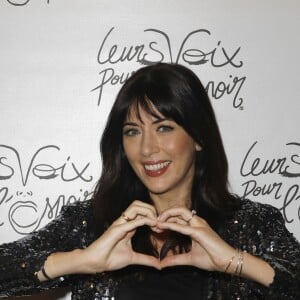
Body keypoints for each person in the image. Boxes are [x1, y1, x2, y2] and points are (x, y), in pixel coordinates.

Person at [0, 63, 299, 300]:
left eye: (164, 128)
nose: (146, 149)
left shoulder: (251, 223)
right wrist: (83, 260)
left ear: (198, 137)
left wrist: (234, 261)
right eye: (132, 131)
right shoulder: (91, 224)